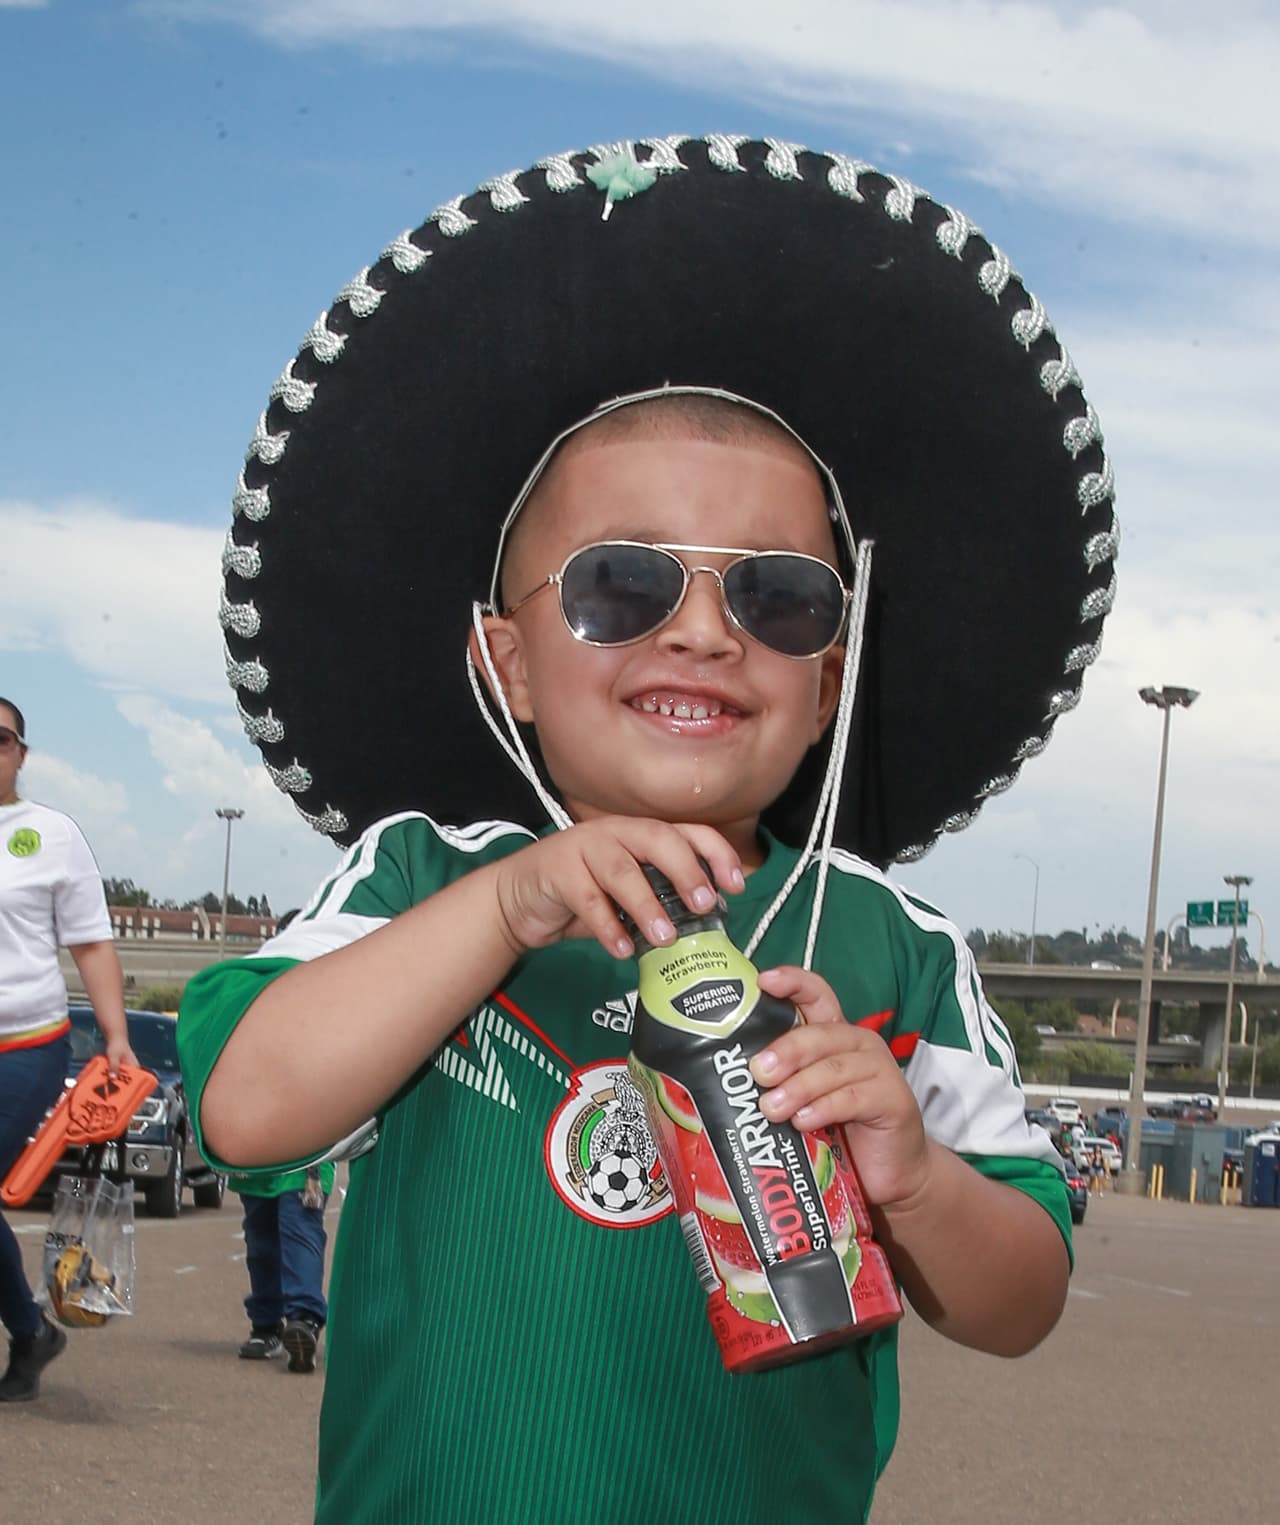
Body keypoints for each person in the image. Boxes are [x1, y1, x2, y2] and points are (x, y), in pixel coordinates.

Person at [179, 137, 1118, 1521]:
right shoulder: (425, 878)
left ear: (828, 681)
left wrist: (912, 1174)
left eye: (778, 598)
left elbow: (1020, 1299)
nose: (700, 628)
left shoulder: (889, 942)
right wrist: (507, 908)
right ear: (506, 662)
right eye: (621, 584)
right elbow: (245, 1112)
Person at [0, 697, 136, 1402]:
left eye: (0, 738)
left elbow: (89, 939)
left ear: (22, 753)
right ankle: (30, 1329)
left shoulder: (50, 834)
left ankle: (30, 1330)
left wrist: (116, 1037)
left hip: (25, 1044)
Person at [230, 911, 335, 1373]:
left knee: (298, 1233)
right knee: (261, 1241)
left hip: (306, 1148)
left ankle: (303, 1322)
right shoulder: (256, 995)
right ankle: (268, 1324)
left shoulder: (335, 1001)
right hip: (261, 1145)